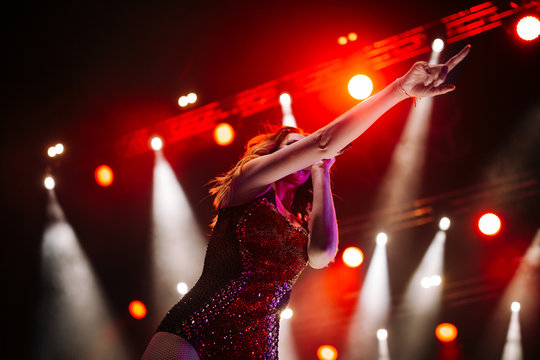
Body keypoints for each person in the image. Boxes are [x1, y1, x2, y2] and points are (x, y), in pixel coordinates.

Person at [142, 45, 470, 360]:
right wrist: (399, 89)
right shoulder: (248, 182)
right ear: (276, 154)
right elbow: (324, 142)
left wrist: (321, 172)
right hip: (198, 329)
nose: (304, 154)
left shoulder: (298, 222)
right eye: (295, 148)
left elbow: (322, 255)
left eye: (307, 149)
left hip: (256, 349)